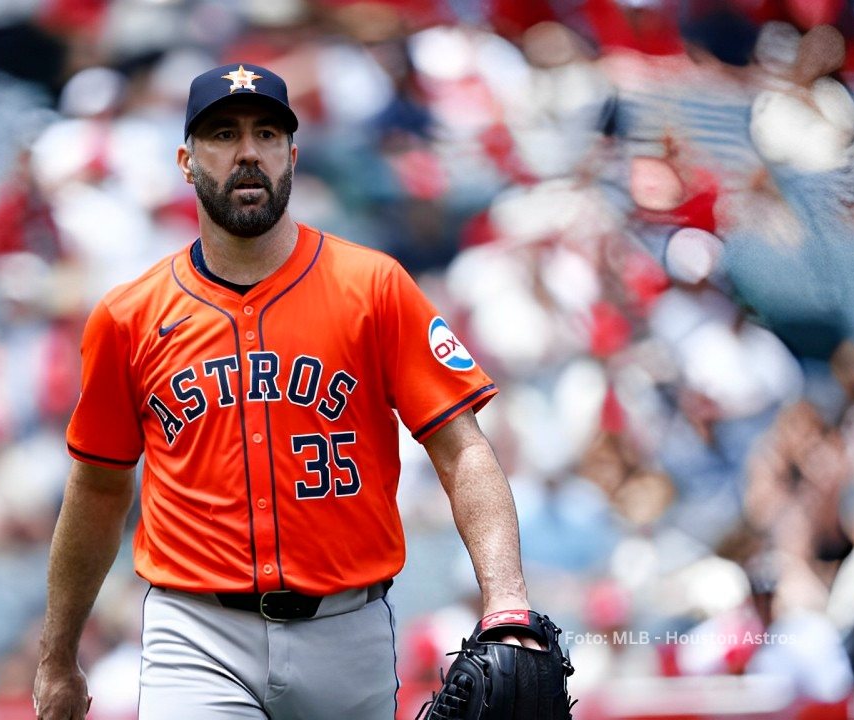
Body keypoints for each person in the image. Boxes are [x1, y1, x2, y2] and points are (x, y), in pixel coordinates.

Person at [34, 62, 541, 719]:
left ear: (293, 156)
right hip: (196, 633)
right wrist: (57, 655)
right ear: (186, 162)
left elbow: (463, 450)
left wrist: (505, 599)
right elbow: (97, 488)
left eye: (267, 133)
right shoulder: (128, 316)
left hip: (349, 628)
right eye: (223, 134)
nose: (248, 152)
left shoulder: (375, 286)